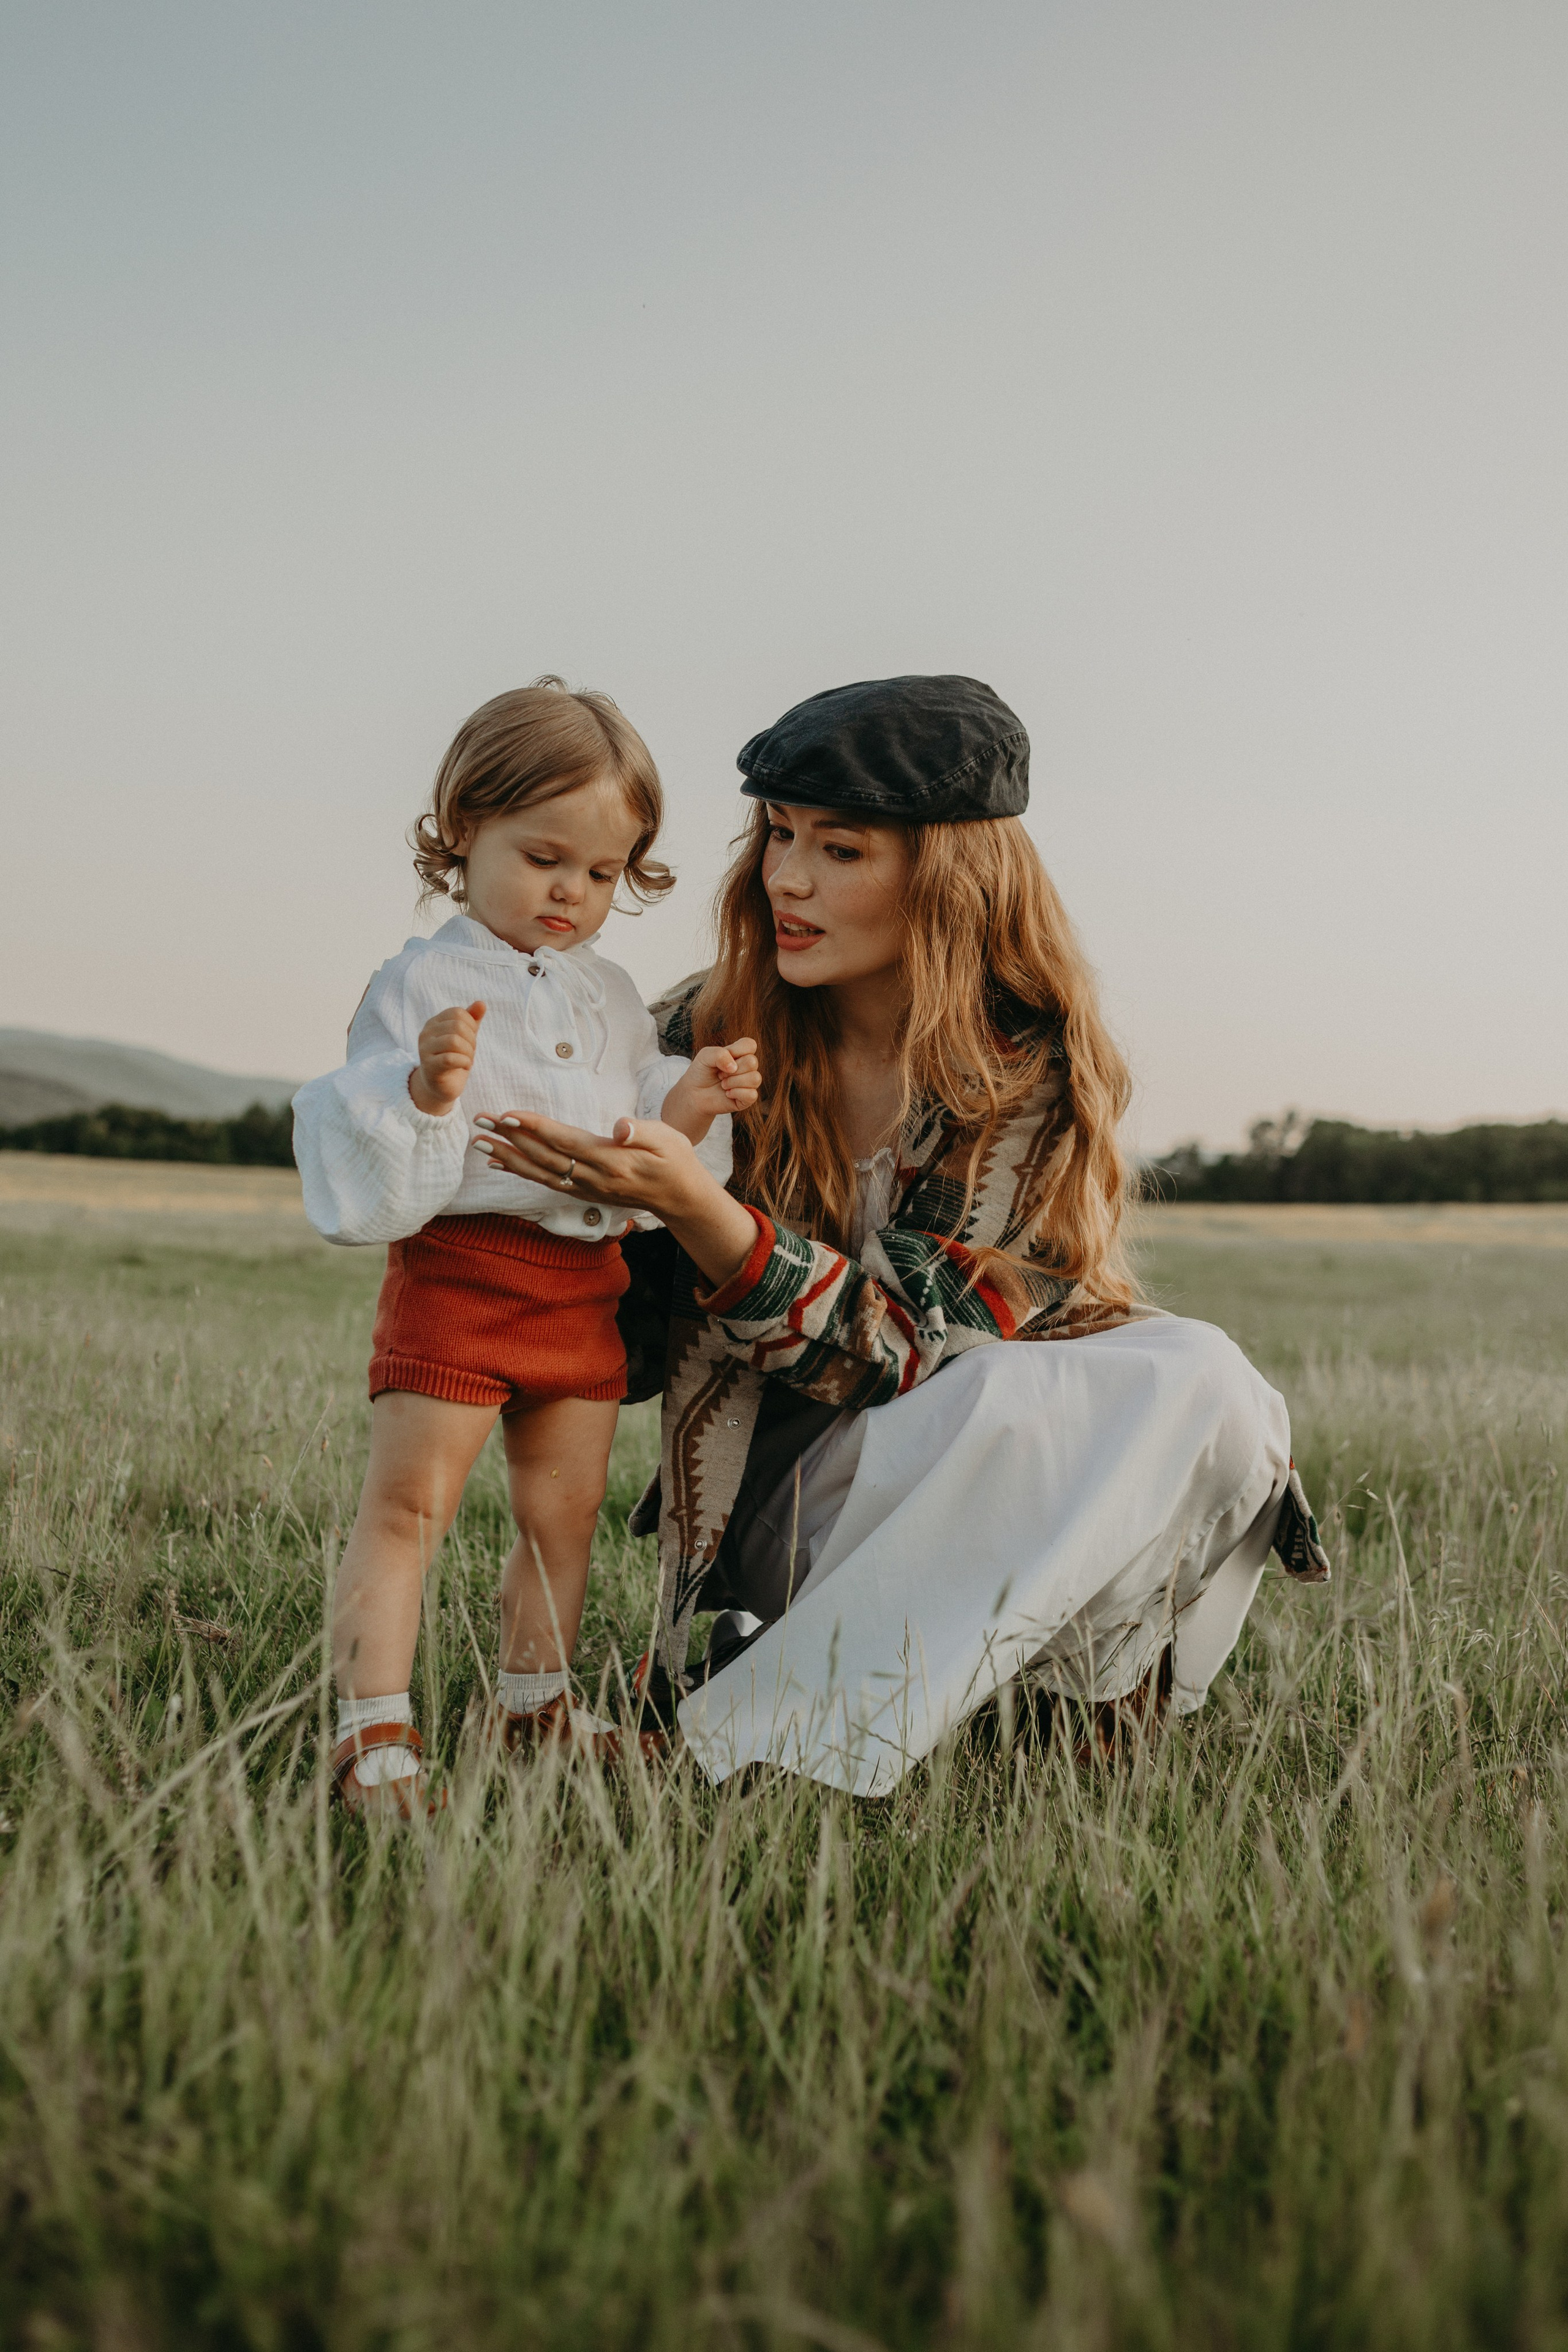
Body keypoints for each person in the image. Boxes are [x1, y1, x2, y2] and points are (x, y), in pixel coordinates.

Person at [473, 673, 1329, 1798]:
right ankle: (735, 1730)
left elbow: (896, 1350)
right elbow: (617, 1349)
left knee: (1204, 1379)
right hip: (786, 1513)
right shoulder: (697, 1029)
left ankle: (1085, 1705)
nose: (786, 877)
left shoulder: (1033, 1069)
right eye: (780, 836)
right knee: (1026, 1406)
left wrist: (701, 1206)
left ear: (949, 879)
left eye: (841, 850)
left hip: (970, 1464)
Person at [291, 679, 760, 1815]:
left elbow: (640, 1122)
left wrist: (692, 1095)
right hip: (461, 1276)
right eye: (546, 857)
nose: (573, 893)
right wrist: (424, 1082)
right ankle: (371, 1738)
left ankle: (533, 1707)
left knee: (565, 1513)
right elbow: (354, 1110)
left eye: (604, 874)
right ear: (464, 829)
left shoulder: (607, 992)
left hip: (579, 1288)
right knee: (408, 1511)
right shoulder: (423, 982)